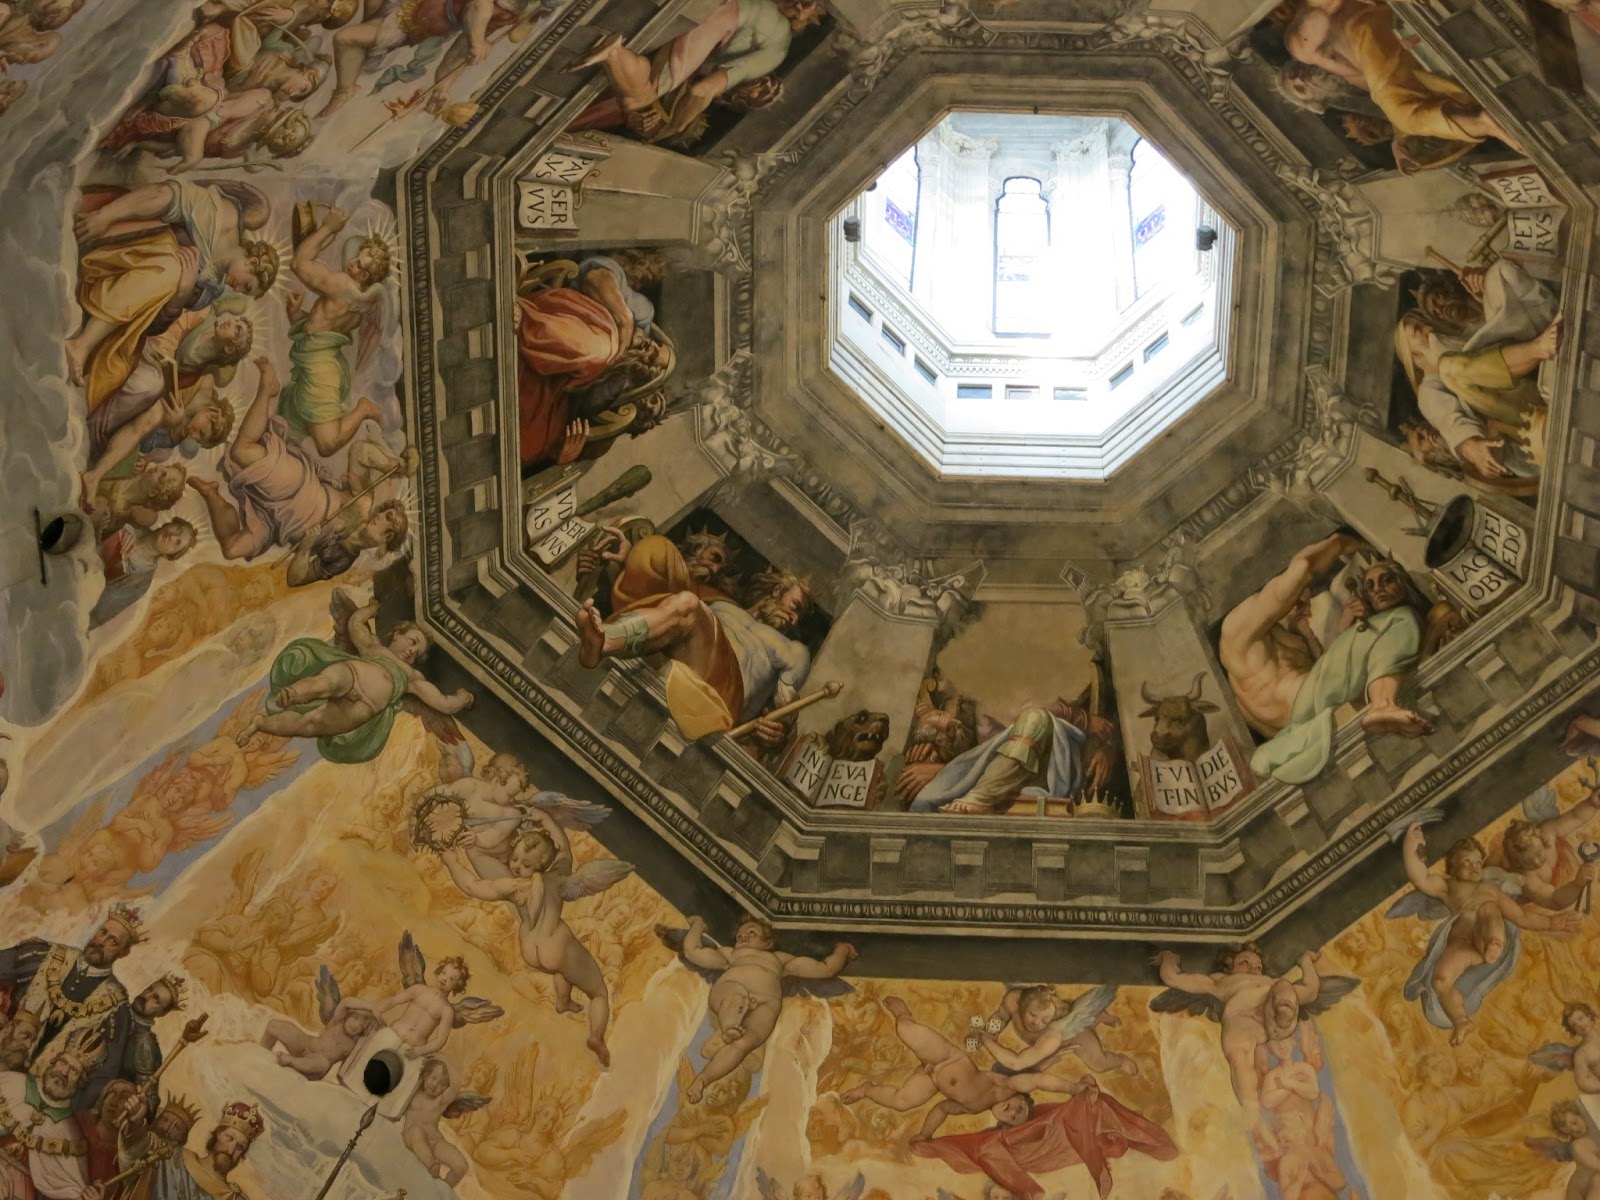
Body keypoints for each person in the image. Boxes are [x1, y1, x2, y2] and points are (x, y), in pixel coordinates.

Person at [1220, 535, 1431, 784]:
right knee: (1400, 618)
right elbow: (1304, 566)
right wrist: (1343, 542)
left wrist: (1312, 634)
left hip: (1306, 715)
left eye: (1308, 604)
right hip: (1307, 704)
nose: (1306, 610)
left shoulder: (1279, 646)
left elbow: (1323, 677)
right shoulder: (1237, 628)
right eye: (1298, 600)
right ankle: (1382, 704)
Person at [186, 357, 410, 584]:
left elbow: (295, 579)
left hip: (278, 523)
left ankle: (211, 493)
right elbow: (361, 452)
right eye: (387, 514)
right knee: (242, 452)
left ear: (386, 540)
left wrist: (306, 549)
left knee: (232, 548)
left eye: (387, 526)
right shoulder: (363, 502)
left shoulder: (343, 558)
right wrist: (389, 465)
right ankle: (267, 387)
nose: (380, 518)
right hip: (299, 487)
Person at [575, 535, 813, 741]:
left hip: (723, 698)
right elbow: (664, 598)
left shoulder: (793, 650)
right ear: (777, 591)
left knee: (689, 604)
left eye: (800, 615)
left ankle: (604, 643)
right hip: (692, 656)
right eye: (795, 607)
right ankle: (603, 640)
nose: (794, 618)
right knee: (658, 549)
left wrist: (776, 731)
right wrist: (631, 564)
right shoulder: (721, 604)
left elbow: (785, 712)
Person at [70, 180, 278, 408]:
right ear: (252, 263)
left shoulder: (211, 291)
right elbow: (161, 194)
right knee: (171, 269)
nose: (236, 290)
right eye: (246, 286)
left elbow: (153, 324)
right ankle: (82, 345)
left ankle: (82, 345)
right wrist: (105, 216)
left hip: (115, 293)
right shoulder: (222, 217)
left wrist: (180, 296)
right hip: (114, 248)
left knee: (172, 274)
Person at [441, 819, 632, 1067]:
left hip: (529, 947)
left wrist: (451, 861)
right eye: (516, 860)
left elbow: (472, 885)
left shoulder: (512, 886)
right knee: (598, 992)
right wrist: (547, 820)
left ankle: (563, 1002)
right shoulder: (558, 876)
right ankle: (596, 1037)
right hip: (555, 943)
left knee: (562, 967)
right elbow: (564, 848)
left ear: (539, 865)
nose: (517, 866)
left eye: (525, 864)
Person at [1281, 0, 1520, 170]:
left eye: (1292, 77)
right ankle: (1479, 121)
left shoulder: (1298, 46)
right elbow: (1399, 92)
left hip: (1364, 25)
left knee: (1394, 106)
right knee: (1427, 105)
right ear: (1318, 97)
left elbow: (1319, 9)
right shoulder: (1356, 80)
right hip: (1393, 47)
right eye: (1300, 90)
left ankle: (1484, 123)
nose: (1298, 79)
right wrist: (1399, 139)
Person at [1397, 824, 1580, 1044]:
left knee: (1487, 909)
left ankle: (1495, 943)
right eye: (1467, 862)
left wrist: (1551, 922)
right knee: (1440, 980)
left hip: (1486, 939)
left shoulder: (1490, 889)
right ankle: (1461, 1020)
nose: (1474, 867)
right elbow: (1420, 877)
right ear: (1452, 867)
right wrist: (1410, 847)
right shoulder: (1447, 887)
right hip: (1462, 945)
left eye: (1477, 862)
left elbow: (1520, 916)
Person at [237, 592, 473, 762]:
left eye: (417, 652)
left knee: (311, 725)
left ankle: (261, 724)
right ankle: (295, 694)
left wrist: (463, 699)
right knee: (325, 683)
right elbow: (355, 622)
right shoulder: (374, 648)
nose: (412, 651)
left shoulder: (412, 677)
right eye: (412, 641)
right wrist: (372, 608)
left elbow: (443, 703)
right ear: (398, 634)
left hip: (365, 707)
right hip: (353, 674)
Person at [565, 0, 824, 143]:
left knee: (651, 80)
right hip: (717, 17)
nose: (755, 89)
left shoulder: (766, 9)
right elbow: (704, 89)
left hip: (714, 15)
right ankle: (613, 53)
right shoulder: (777, 49)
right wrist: (676, 126)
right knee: (640, 96)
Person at [1394, 260, 1560, 481]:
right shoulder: (1429, 391)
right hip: (1522, 422)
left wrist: (1481, 292)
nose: (1428, 327)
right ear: (1414, 356)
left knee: (1499, 273)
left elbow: (1491, 338)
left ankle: (1554, 318)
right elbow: (1450, 421)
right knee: (1450, 369)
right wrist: (1469, 445)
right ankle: (1539, 347)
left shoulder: (1452, 344)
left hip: (1528, 374)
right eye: (1417, 329)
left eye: (1423, 322)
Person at [841, 997, 1092, 1142]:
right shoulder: (1003, 1089)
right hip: (948, 1058)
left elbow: (942, 1108)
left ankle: (867, 1090)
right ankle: (904, 1014)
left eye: (1013, 1117)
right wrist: (1073, 1088)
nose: (1013, 1110)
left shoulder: (973, 1108)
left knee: (903, 1101)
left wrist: (925, 1133)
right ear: (1018, 1096)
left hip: (932, 1080)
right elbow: (1039, 1080)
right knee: (905, 1031)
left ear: (1002, 1123)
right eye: (1020, 1107)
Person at [668, 915, 854, 1103]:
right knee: (737, 995)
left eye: (751, 933)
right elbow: (693, 951)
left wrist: (842, 950)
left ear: (768, 943)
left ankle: (703, 1079)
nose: (743, 937)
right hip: (729, 994)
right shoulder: (730, 954)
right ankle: (728, 1026)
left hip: (764, 1005)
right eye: (739, 936)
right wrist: (698, 925)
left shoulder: (780, 960)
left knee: (742, 1045)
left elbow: (824, 969)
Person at [1151, 946, 1325, 1144]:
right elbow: (1173, 978)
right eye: (1244, 963)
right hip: (1242, 1020)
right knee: (1238, 1056)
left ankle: (1284, 1016)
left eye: (1258, 966)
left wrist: (1306, 962)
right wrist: (1168, 957)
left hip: (1271, 1012)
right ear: (1229, 967)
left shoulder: (1270, 982)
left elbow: (1310, 991)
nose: (1252, 969)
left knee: (1285, 988)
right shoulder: (1219, 982)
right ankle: (1251, 1109)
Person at [514, 256, 671, 472]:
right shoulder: (640, 317)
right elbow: (597, 273)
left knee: (532, 442)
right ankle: (525, 322)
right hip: (573, 319)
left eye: (651, 360)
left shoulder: (617, 410)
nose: (649, 350)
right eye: (655, 348)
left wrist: (562, 455)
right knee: (600, 349)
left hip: (554, 385)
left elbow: (578, 434)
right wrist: (625, 318)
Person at [278, 207, 390, 456]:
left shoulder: (343, 285)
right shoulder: (362, 302)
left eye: (361, 266)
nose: (353, 264)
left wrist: (328, 227)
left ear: (366, 276)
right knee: (288, 429)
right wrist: (297, 315)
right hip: (321, 360)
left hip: (321, 368)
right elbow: (323, 328)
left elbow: (299, 263)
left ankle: (362, 409)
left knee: (327, 445)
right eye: (357, 258)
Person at [901, 689, 1120, 815]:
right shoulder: (966, 702)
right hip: (986, 768)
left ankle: (980, 797)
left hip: (1053, 769)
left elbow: (1107, 735)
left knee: (1036, 717)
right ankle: (979, 796)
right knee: (1035, 717)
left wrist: (1107, 748)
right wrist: (935, 752)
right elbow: (963, 748)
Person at [0, 908, 142, 1069]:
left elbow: (108, 1068)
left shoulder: (116, 1005)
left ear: (123, 953)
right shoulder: (45, 954)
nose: (101, 941)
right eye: (102, 932)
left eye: (113, 941)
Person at [0, 1031, 108, 1200]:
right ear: (53, 1061)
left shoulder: (70, 1134)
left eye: (73, 1070)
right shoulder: (10, 1082)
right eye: (62, 1062)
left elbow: (70, 1192)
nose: (63, 1072)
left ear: (80, 1082)